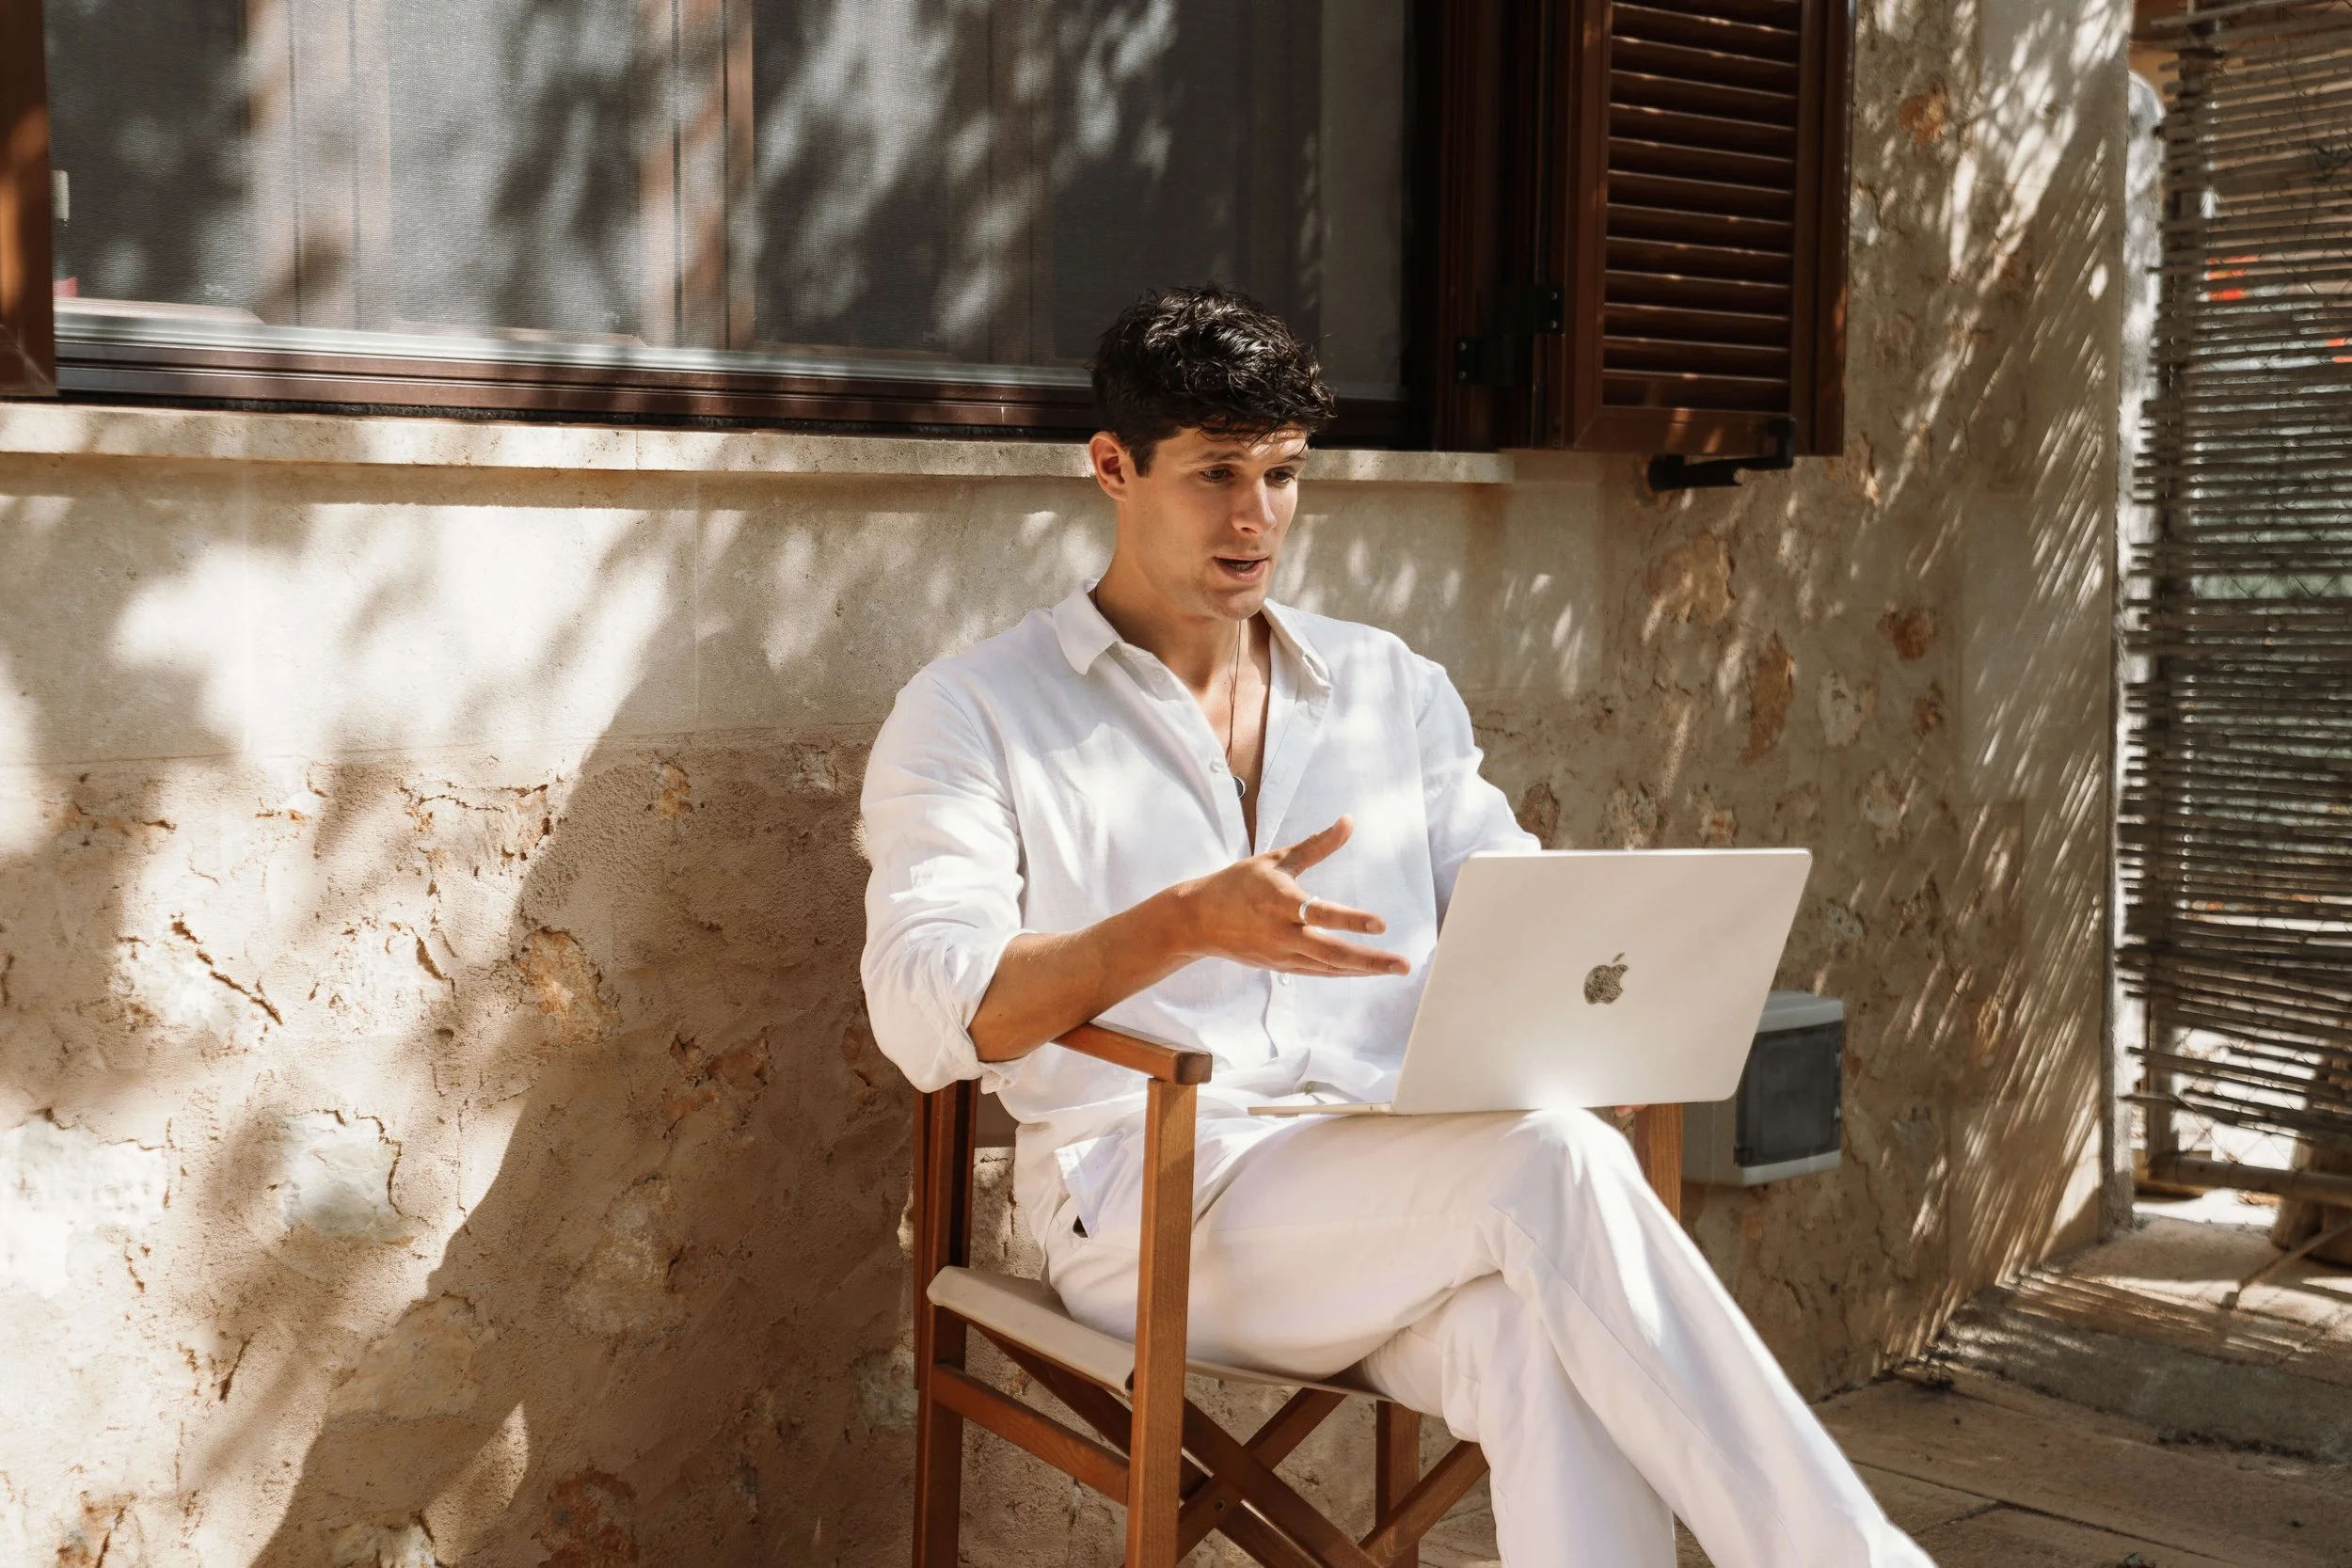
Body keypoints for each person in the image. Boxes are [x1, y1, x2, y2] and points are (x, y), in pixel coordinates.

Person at [859, 284, 1931, 1567]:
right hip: (1154, 1209)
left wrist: (1612, 971)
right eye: (1214, 475)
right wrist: (1183, 924)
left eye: (1283, 473)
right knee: (1557, 1165)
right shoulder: (975, 710)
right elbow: (927, 1009)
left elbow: (1516, 906)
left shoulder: (1388, 689)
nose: (1257, 517)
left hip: (1403, 1173)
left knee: (1532, 1341)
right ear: (1113, 467)